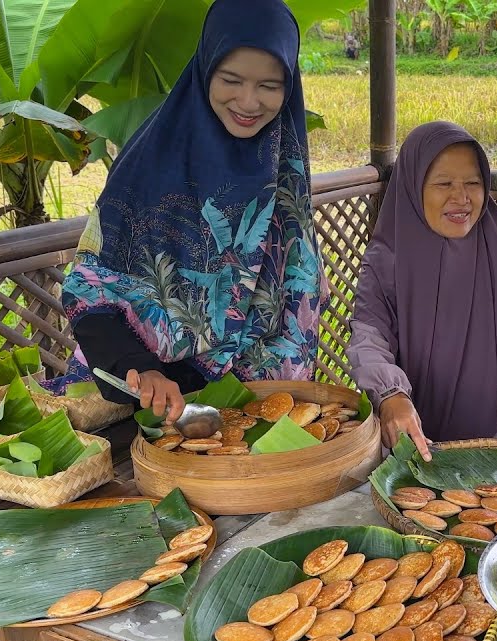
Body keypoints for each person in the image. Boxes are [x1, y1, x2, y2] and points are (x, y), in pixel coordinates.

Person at [46, 0, 324, 423]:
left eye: (270, 85)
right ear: (206, 67)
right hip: (148, 410)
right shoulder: (150, 166)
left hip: (256, 412)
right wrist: (144, 370)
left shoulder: (285, 169)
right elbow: (89, 292)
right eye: (231, 79)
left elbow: (297, 286)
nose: (248, 102)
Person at [349, 121, 497, 460]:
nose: (461, 198)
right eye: (444, 183)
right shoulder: (386, 262)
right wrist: (391, 395)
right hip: (411, 452)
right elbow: (369, 341)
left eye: (473, 183)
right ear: (413, 186)